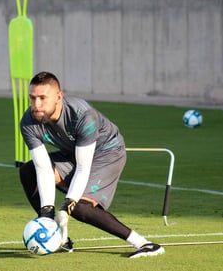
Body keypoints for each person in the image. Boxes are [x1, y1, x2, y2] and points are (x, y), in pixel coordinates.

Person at [19, 71, 165, 258]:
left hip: (107, 153)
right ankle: (61, 241)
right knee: (28, 171)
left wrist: (67, 206)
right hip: (72, 153)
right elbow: (43, 168)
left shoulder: (83, 116)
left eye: (42, 98)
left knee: (80, 207)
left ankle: (145, 244)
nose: (36, 105)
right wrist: (47, 214)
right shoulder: (28, 122)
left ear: (58, 97)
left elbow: (83, 167)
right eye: (32, 98)